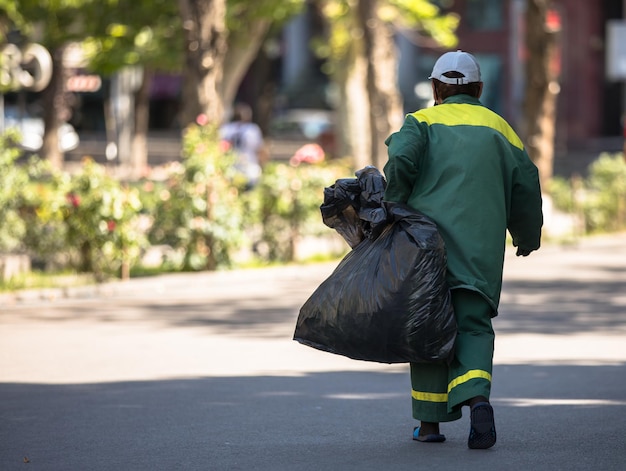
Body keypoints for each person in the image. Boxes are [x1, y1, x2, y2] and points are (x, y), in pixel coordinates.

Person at [383, 50, 543, 449]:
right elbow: (526, 186)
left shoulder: (421, 122)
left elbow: (401, 158)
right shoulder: (500, 128)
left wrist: (395, 203)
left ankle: (431, 425)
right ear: (479, 89)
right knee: (472, 326)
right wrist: (527, 235)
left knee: (426, 330)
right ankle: (477, 401)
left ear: (435, 88)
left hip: (426, 251)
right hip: (479, 253)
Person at [219, 103, 266, 189]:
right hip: (250, 171)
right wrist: (263, 166)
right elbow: (260, 151)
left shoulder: (226, 129)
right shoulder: (252, 129)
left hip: (230, 171)